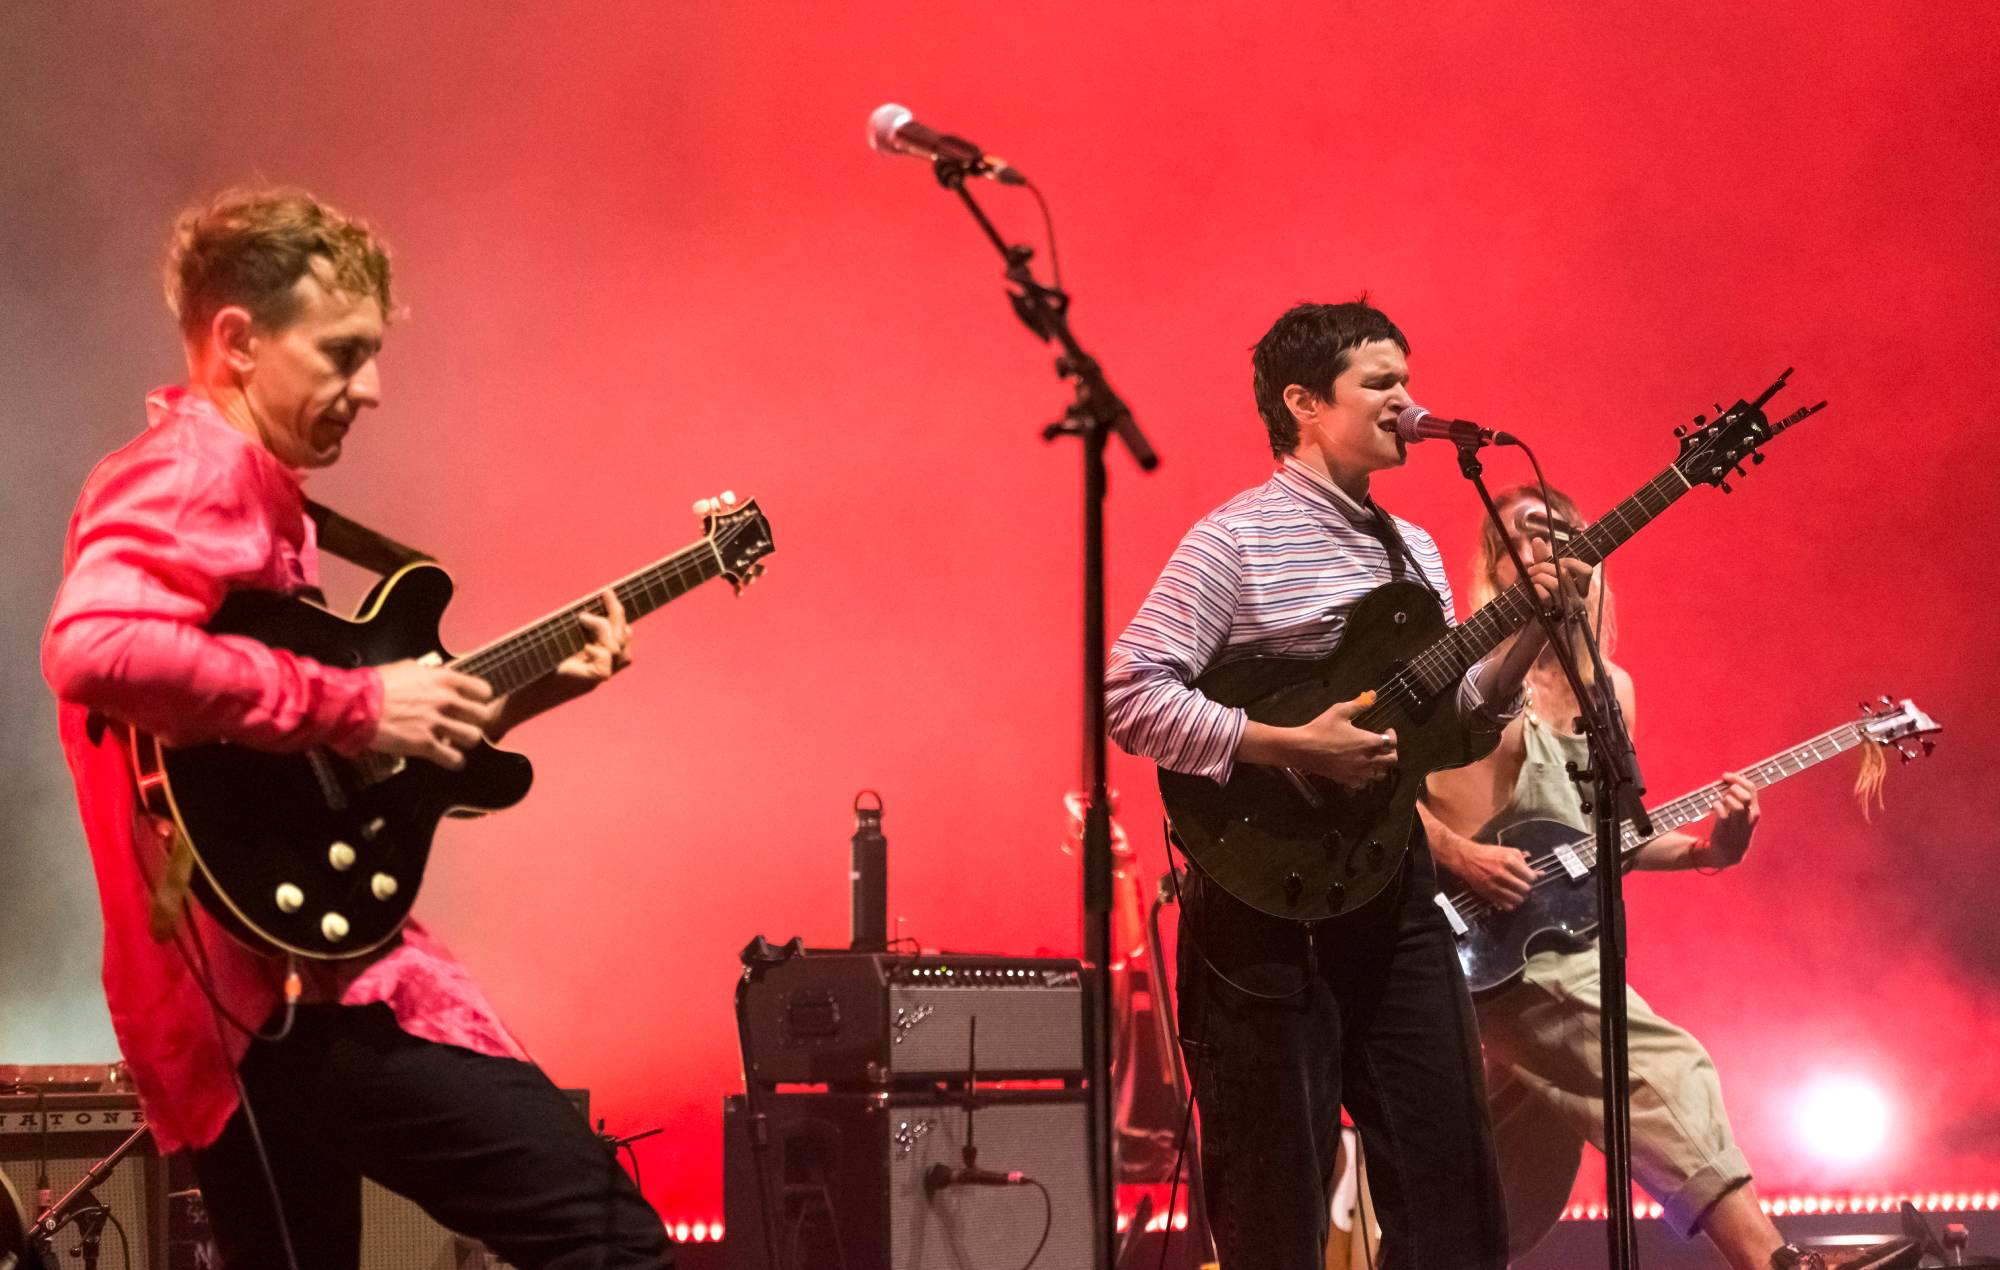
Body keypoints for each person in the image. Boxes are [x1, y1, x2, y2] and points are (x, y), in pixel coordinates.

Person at [41, 187, 671, 1270]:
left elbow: (304, 768)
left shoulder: (257, 498)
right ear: (237, 341)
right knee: (609, 1243)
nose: (369, 388)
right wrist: (362, 700)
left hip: (249, 998)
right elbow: (92, 647)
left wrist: (531, 692)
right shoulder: (196, 472)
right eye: (340, 352)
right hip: (296, 1006)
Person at [1105, 299, 1590, 1270]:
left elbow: (1450, 725)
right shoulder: (1231, 540)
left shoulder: (1410, 550)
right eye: (1380, 383)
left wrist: (1532, 629)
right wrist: (1287, 745)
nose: (1407, 401)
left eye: (1406, 379)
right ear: (1302, 403)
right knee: (1273, 1205)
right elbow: (1126, 693)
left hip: (1390, 887)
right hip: (1258, 904)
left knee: (1453, 1192)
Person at [1419, 484, 1913, 1270]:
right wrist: (1456, 852)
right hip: (1479, 950)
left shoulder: (1608, 690)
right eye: (1527, 536)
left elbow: (1596, 841)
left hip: (1556, 941)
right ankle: (1775, 1262)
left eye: (1564, 534)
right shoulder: (1465, 675)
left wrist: (1709, 849)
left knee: (1510, 1178)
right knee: (1664, 1065)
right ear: (1492, 563)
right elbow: (1376, 797)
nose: (1550, 548)